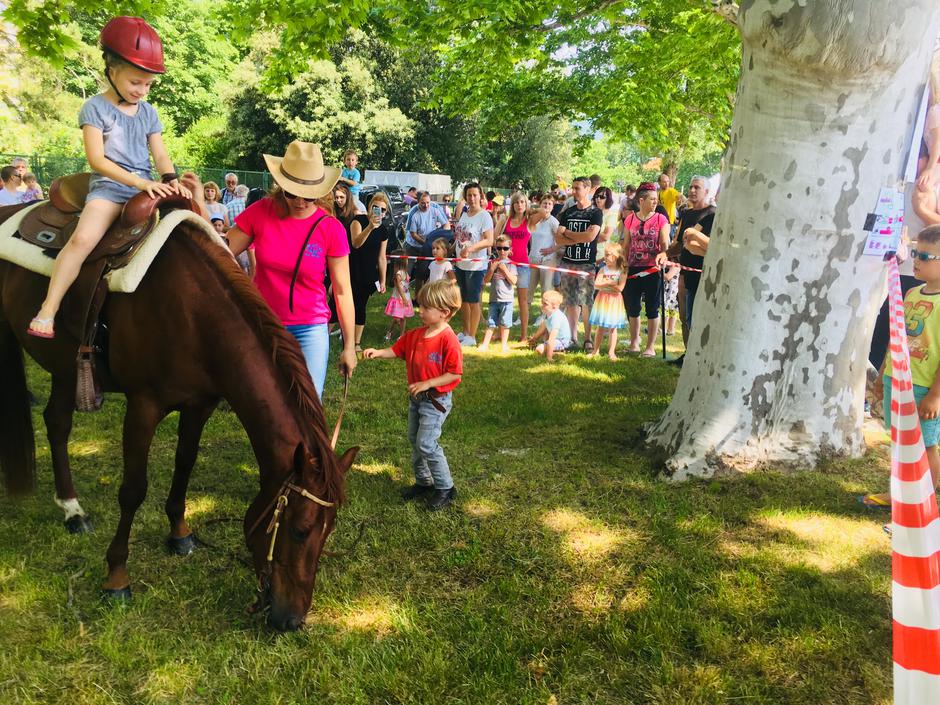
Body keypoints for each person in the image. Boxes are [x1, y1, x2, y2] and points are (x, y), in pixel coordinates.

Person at [28, 16, 191, 339]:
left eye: (148, 85)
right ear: (111, 69)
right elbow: (97, 160)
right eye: (135, 82)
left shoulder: (149, 112)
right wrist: (139, 182)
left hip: (147, 188)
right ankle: (49, 308)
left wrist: (170, 176)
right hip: (110, 189)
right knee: (82, 240)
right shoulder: (94, 108)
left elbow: (159, 153)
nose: (142, 91)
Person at [226, 140, 356, 397]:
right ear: (280, 187)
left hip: (311, 326)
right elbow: (220, 253)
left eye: (309, 195)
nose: (299, 201)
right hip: (264, 323)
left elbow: (342, 291)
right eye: (291, 193)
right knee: (266, 402)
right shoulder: (260, 212)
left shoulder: (330, 228)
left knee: (307, 403)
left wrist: (350, 346)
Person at [363, 280, 462, 510]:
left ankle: (445, 488)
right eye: (421, 305)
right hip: (417, 400)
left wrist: (428, 383)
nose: (420, 311)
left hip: (436, 402)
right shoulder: (416, 334)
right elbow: (397, 350)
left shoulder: (448, 339)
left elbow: (454, 374)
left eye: (426, 308)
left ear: (444, 312)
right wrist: (378, 352)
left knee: (427, 443)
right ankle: (424, 482)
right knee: (415, 440)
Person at [860, 224, 940, 508]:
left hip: (923, 388)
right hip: (897, 379)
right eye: (917, 253)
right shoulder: (911, 294)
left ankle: (923, 502)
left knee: (924, 443)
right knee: (900, 442)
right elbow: (897, 337)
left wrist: (934, 395)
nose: (917, 260)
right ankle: (898, 493)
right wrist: (884, 374)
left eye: (926, 257)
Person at [668, 176, 716, 365]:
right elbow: (680, 244)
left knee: (696, 317)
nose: (692, 190)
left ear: (706, 191)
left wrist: (696, 236)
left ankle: (698, 357)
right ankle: (688, 354)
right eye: (690, 186)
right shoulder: (687, 215)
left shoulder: (713, 214)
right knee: (684, 316)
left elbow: (713, 245)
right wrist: (665, 253)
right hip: (685, 272)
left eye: (697, 187)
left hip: (703, 274)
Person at [337, 186, 391, 351]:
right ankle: (341, 333)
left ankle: (356, 342)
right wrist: (370, 227)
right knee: (343, 305)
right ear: (370, 207)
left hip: (368, 274)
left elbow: (382, 257)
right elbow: (356, 243)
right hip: (352, 270)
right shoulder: (358, 221)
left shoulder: (383, 230)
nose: (379, 212)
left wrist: (382, 280)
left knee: (360, 306)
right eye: (376, 207)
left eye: (383, 210)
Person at [622, 182, 670, 356]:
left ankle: (650, 347)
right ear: (641, 200)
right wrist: (623, 263)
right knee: (633, 307)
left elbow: (664, 243)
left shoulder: (660, 219)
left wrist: (664, 256)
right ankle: (634, 342)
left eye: (656, 199)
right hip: (633, 268)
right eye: (652, 199)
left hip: (652, 268)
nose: (655, 202)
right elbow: (626, 244)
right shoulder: (630, 219)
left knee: (652, 307)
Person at [555, 176, 603, 351]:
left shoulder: (595, 213)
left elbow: (591, 237)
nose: (573, 191)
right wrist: (578, 237)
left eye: (577, 188)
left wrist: (569, 234)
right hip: (568, 263)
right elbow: (558, 238)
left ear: (588, 189)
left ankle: (588, 338)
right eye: (573, 188)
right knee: (570, 302)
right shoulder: (568, 212)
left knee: (586, 302)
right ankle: (573, 337)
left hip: (586, 264)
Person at [493, 191, 548, 340]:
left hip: (522, 264)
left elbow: (544, 212)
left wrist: (531, 209)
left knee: (523, 301)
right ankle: (500, 331)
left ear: (526, 204)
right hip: (506, 263)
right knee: (502, 298)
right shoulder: (506, 219)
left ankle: (524, 335)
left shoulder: (529, 221)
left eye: (522, 202)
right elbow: (495, 238)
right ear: (513, 205)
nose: (519, 205)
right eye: (517, 202)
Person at [453, 182, 494, 346]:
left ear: (480, 196)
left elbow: (489, 240)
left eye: (475, 195)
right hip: (461, 264)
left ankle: (472, 335)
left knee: (473, 300)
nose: (471, 198)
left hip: (476, 266)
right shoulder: (464, 213)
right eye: (469, 195)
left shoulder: (484, 216)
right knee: (463, 299)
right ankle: (465, 331)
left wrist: (471, 249)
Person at [588, 243, 628, 360]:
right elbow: (596, 284)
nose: (605, 257)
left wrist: (606, 283)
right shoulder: (602, 269)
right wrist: (610, 283)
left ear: (616, 256)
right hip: (603, 299)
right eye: (605, 255)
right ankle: (596, 350)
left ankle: (612, 352)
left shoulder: (622, 271)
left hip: (615, 300)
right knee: (600, 326)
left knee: (612, 328)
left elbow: (620, 288)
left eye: (608, 255)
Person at [479, 234, 518, 353]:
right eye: (499, 248)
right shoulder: (493, 263)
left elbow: (514, 281)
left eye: (505, 248)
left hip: (507, 300)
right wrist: (491, 269)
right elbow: (485, 281)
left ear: (510, 250)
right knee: (491, 322)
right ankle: (485, 344)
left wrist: (504, 270)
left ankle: (504, 345)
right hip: (494, 299)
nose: (502, 251)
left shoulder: (511, 264)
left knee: (505, 323)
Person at [404, 190, 449, 286]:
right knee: (406, 273)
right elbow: (413, 233)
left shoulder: (435, 208)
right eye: (423, 203)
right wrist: (425, 243)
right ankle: (405, 295)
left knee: (424, 273)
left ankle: (422, 297)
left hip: (428, 246)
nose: (426, 205)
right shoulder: (414, 213)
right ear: (418, 202)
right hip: (412, 245)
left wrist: (441, 240)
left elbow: (446, 224)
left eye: (428, 202)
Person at [529, 193, 560, 303]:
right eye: (544, 203)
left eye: (549, 204)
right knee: (529, 288)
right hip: (533, 258)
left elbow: (562, 241)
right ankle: (523, 315)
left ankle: (544, 315)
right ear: (540, 204)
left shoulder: (553, 222)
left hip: (548, 259)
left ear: (553, 206)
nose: (546, 205)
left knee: (546, 289)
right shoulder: (534, 220)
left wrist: (551, 249)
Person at [529, 290, 571, 361]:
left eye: (545, 304)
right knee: (541, 345)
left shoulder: (556, 317)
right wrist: (534, 338)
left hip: (561, 341)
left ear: (554, 307)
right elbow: (543, 326)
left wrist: (549, 357)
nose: (541, 305)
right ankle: (553, 351)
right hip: (555, 339)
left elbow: (552, 339)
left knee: (539, 350)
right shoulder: (548, 313)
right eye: (542, 302)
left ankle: (557, 353)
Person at [383, 253, 414, 341]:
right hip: (399, 299)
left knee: (403, 318)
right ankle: (389, 332)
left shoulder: (405, 272)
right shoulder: (399, 273)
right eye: (407, 259)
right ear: (403, 261)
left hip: (405, 298)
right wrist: (403, 298)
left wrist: (406, 298)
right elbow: (399, 287)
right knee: (396, 319)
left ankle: (401, 335)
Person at [593, 186, 617, 265]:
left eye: (602, 197)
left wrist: (592, 231)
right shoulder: (590, 212)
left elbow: (606, 236)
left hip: (601, 257)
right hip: (588, 254)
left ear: (608, 199)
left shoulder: (611, 215)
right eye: (596, 196)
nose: (598, 199)